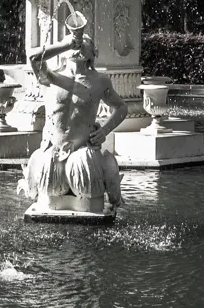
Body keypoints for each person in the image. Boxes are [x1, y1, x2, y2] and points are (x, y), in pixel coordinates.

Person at [21, 23, 127, 210]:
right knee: (48, 174)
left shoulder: (100, 81)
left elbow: (121, 108)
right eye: (75, 43)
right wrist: (66, 44)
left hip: (84, 154)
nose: (79, 45)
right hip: (53, 153)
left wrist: (104, 131)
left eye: (84, 42)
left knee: (83, 167)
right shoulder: (50, 77)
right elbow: (33, 56)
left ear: (92, 53)